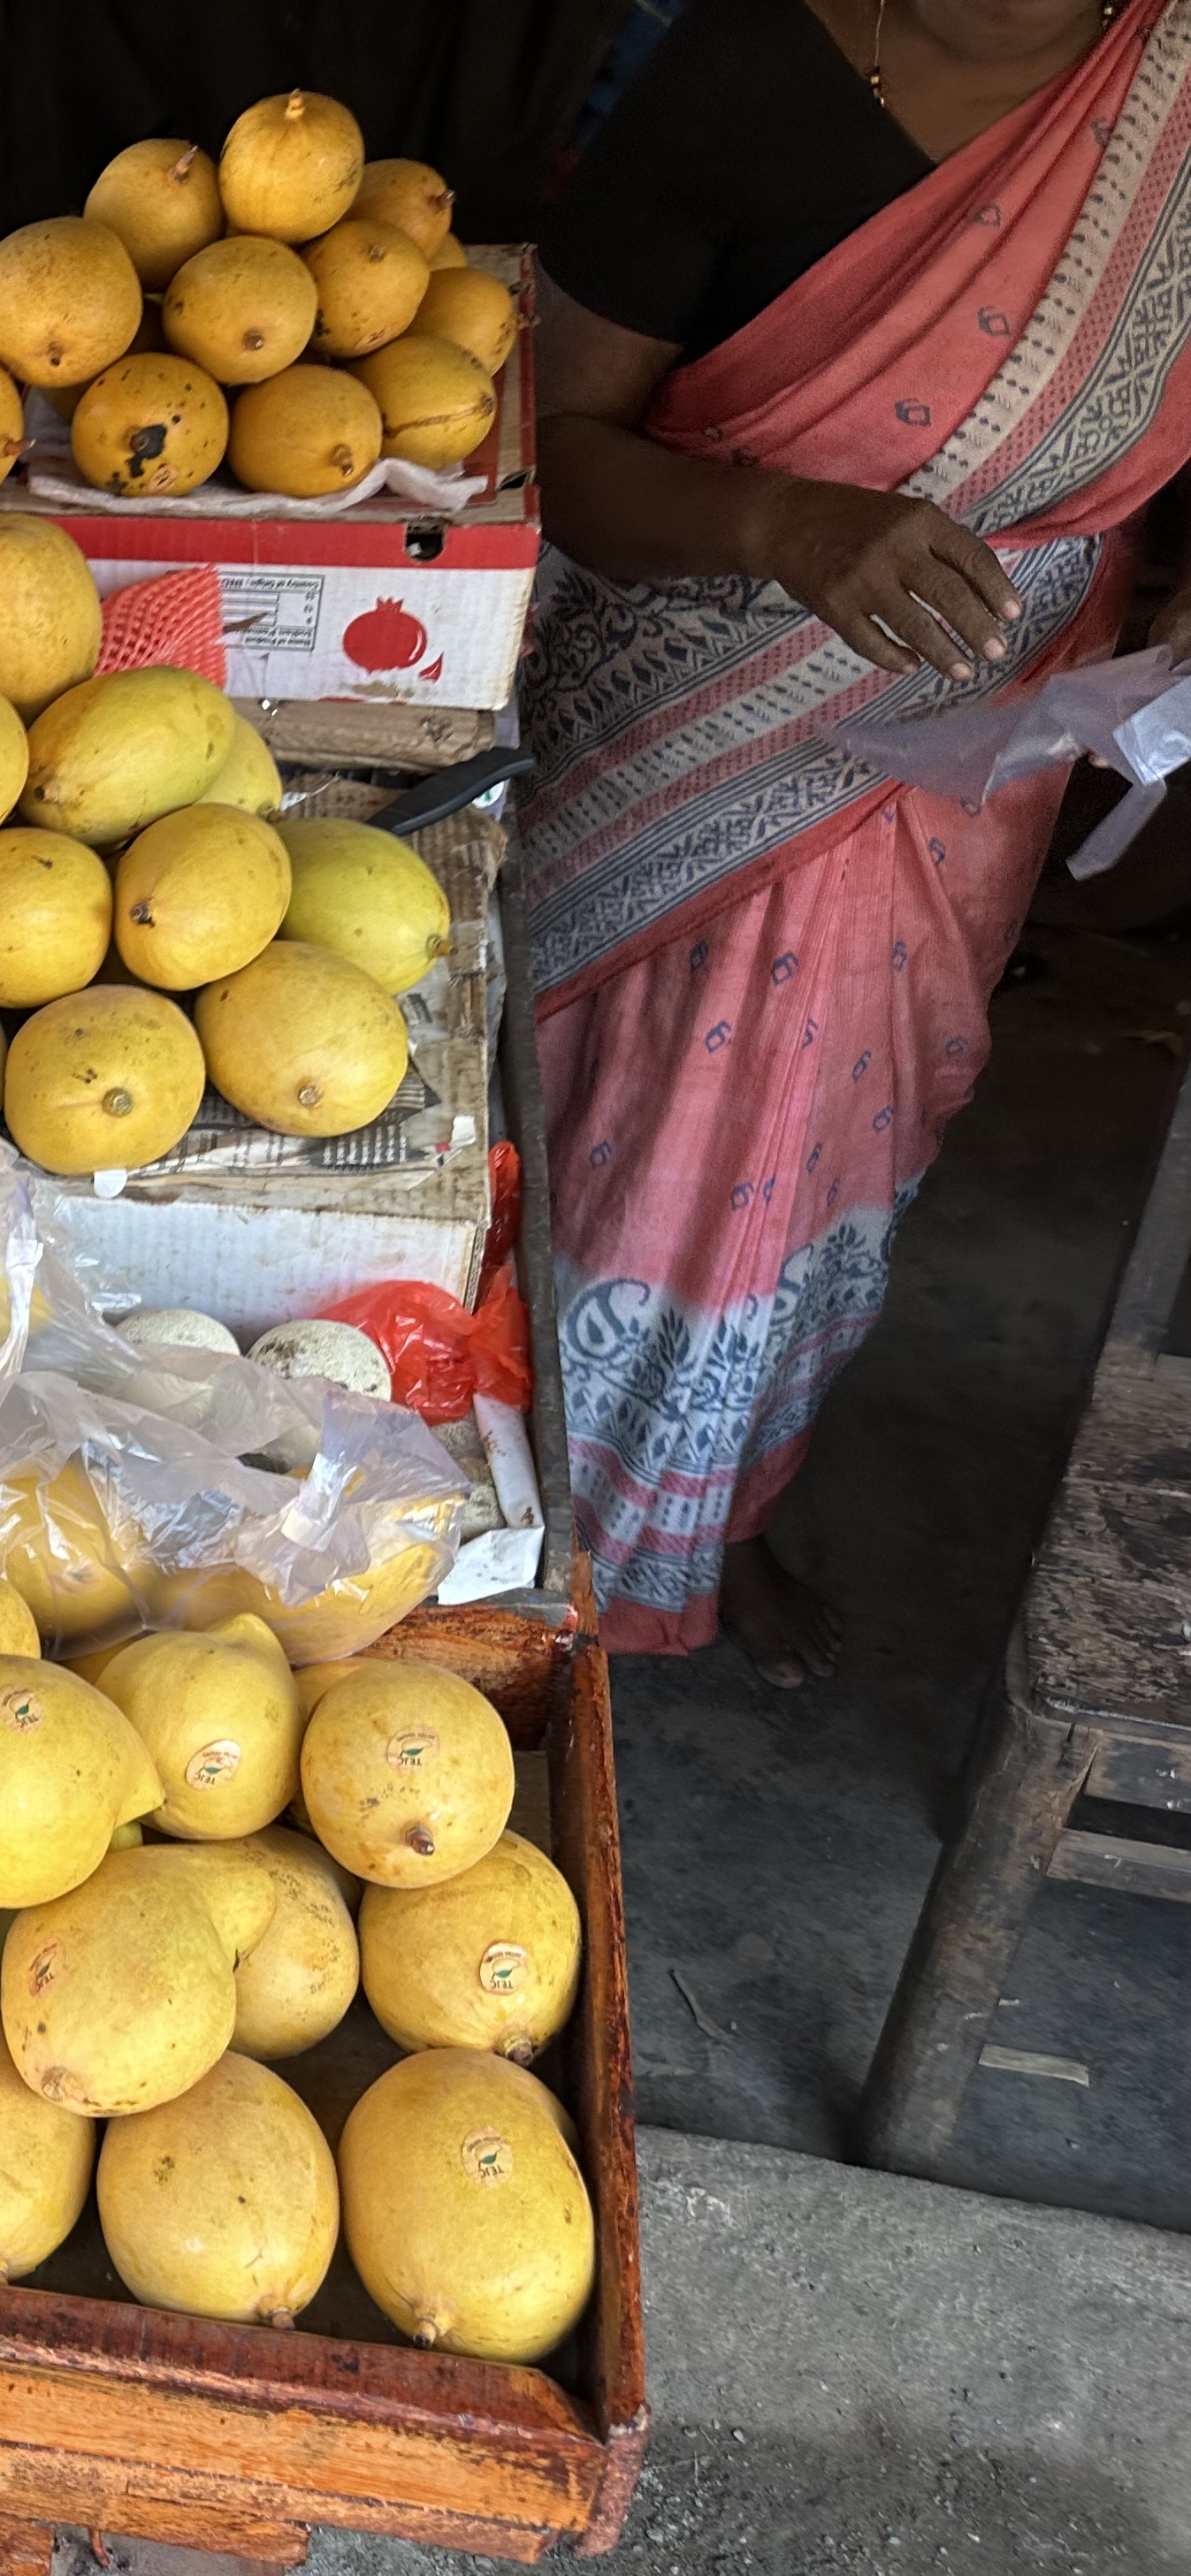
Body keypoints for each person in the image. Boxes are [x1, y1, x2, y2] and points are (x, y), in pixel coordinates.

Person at [523, 0, 1191, 1679]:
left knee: (836, 1149)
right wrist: (781, 522)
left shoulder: (1166, 93)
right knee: (613, 1130)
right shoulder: (740, 75)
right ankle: (527, 1538)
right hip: (679, 709)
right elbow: (557, 447)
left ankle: (708, 1511)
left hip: (978, 731)